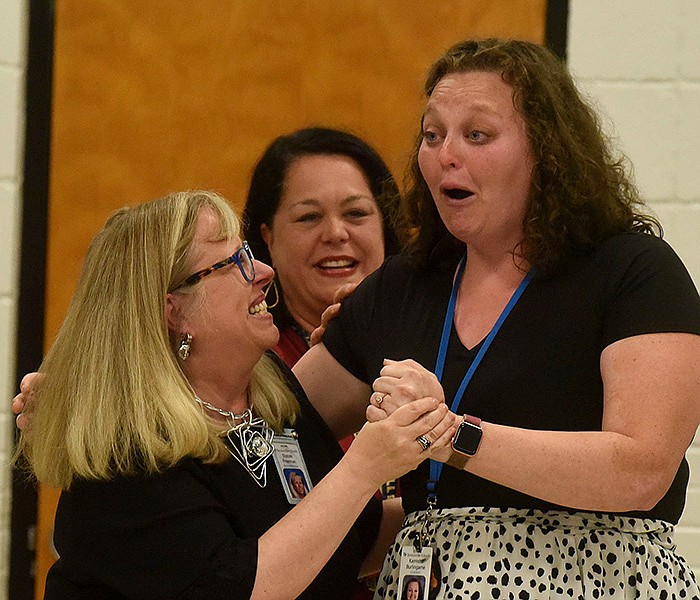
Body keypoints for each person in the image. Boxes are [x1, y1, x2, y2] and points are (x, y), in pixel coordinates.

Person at [292, 39, 700, 597]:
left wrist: (451, 436)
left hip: (595, 578)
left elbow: (641, 470)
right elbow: (275, 426)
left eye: (476, 135)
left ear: (546, 152)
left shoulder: (631, 270)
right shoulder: (402, 285)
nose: (445, 155)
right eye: (432, 136)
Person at [13, 190, 456, 599]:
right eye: (235, 263)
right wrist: (366, 466)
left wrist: (468, 510)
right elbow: (241, 587)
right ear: (173, 310)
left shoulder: (269, 398)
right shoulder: (128, 453)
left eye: (249, 253)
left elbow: (351, 534)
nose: (263, 271)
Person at [243, 126, 401, 367]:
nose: (335, 234)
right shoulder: (250, 371)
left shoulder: (433, 336)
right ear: (268, 239)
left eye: (355, 213)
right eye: (309, 217)